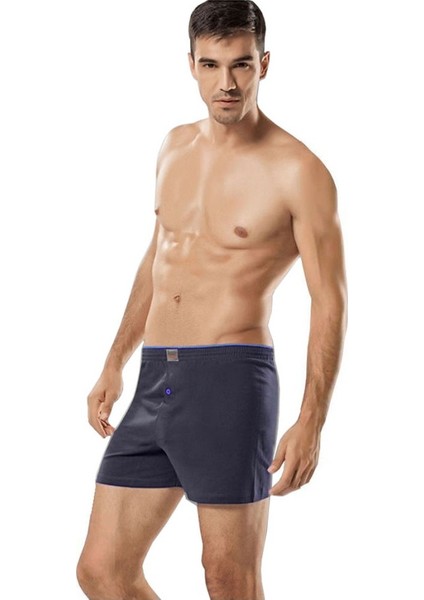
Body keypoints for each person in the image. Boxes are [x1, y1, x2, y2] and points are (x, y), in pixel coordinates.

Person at [76, 1, 348, 598]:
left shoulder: (298, 171)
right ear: (192, 65)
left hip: (230, 379)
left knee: (227, 578)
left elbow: (329, 300)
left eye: (241, 64)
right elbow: (159, 259)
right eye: (211, 65)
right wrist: (114, 362)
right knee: (102, 572)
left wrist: (312, 420)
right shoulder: (174, 147)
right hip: (157, 376)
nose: (227, 82)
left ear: (263, 64)